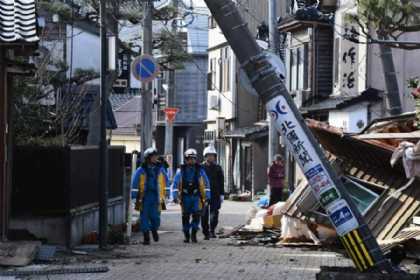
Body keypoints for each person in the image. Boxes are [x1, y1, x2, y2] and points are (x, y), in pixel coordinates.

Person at [172, 149, 210, 243]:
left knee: (196, 216)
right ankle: (186, 235)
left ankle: (193, 234)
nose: (191, 160)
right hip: (185, 197)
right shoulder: (181, 171)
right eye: (189, 159)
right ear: (186, 159)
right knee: (185, 217)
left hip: (196, 197)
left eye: (193, 159)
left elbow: (206, 184)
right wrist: (175, 196)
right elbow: (175, 184)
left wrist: (207, 196)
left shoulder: (200, 170)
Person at [132, 148, 168, 245]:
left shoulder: (160, 169)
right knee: (144, 217)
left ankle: (154, 230)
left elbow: (166, 181)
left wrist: (166, 193)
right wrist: (134, 196)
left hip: (156, 197)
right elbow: (134, 183)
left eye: (156, 156)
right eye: (153, 156)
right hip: (144, 197)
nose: (155, 158)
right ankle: (146, 237)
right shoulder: (141, 170)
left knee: (155, 217)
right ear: (148, 158)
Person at [201, 145, 225, 240]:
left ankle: (212, 230)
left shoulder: (218, 168)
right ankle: (205, 232)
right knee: (204, 214)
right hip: (204, 194)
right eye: (209, 155)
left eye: (213, 155)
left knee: (214, 213)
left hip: (215, 193)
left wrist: (222, 194)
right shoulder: (201, 167)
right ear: (205, 156)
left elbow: (221, 181)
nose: (211, 157)